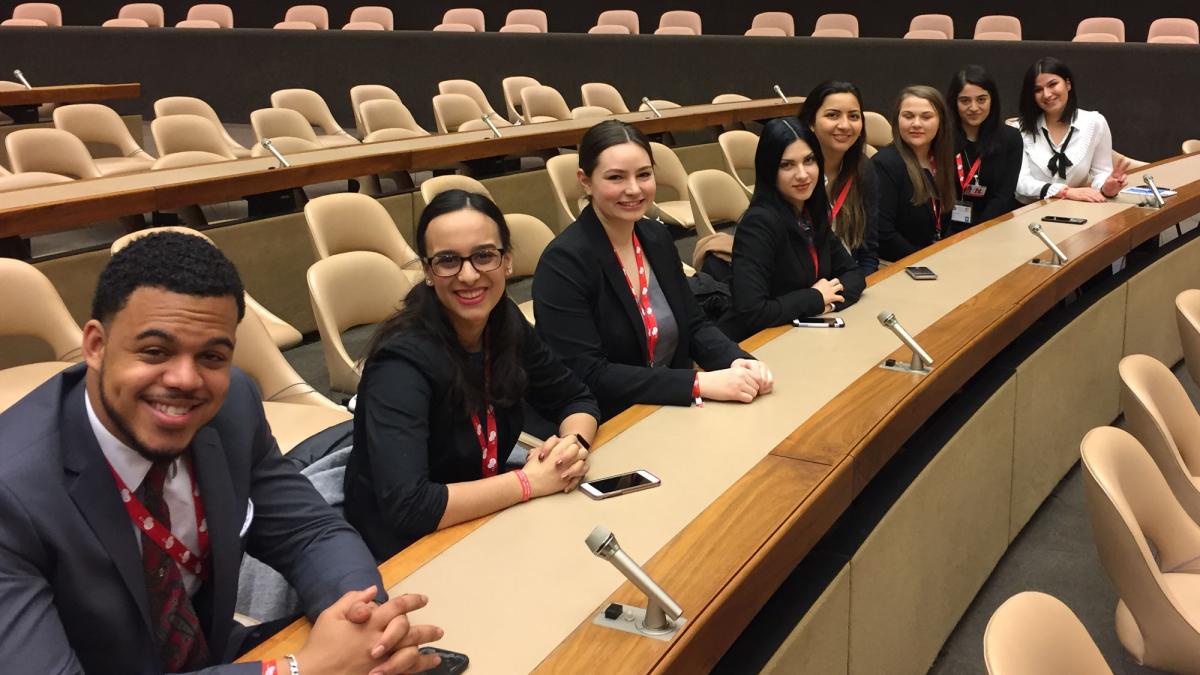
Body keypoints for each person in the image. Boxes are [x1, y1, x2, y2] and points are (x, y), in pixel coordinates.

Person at [0, 232, 443, 675]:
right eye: (156, 351)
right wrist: (298, 671)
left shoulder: (231, 409)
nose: (185, 379)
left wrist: (364, 621)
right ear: (95, 346)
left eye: (212, 357)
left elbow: (311, 532)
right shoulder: (12, 490)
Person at [344, 189, 599, 560]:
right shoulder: (400, 362)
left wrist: (570, 448)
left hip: (486, 514)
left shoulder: (504, 320)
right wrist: (527, 483)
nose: (468, 275)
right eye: (448, 260)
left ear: (507, 260)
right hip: (408, 550)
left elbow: (576, 398)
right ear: (429, 272)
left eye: (484, 256)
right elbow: (409, 506)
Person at [532, 119, 774, 421]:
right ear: (585, 181)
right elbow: (588, 373)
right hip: (608, 419)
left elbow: (694, 323)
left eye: (644, 174)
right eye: (616, 177)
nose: (634, 189)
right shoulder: (563, 263)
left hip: (668, 405)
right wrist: (699, 383)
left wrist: (737, 360)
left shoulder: (655, 238)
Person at [726, 118, 866, 340]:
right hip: (764, 343)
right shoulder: (759, 224)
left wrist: (825, 307)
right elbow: (752, 312)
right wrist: (815, 298)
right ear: (769, 170)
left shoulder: (810, 213)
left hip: (804, 334)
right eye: (787, 165)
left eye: (809, 161)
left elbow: (854, 275)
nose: (802, 174)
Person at [1015, 56, 1128, 203]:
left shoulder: (1094, 122)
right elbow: (1020, 183)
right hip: (1026, 211)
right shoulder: (1018, 129)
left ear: (1068, 84)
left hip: (1074, 211)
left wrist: (1106, 187)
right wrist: (1066, 192)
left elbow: (1101, 172)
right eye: (1038, 90)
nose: (1047, 94)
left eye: (1053, 84)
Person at [799, 80, 880, 276]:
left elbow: (868, 249)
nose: (845, 125)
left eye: (853, 116)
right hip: (804, 287)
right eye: (832, 115)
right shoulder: (794, 173)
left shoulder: (863, 168)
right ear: (811, 122)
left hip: (849, 280)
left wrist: (862, 283)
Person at [872, 85, 958, 261]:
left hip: (934, 257)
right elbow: (885, 234)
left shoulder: (943, 160)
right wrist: (926, 258)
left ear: (940, 120)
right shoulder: (885, 164)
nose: (916, 124)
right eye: (908, 116)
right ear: (897, 120)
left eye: (926, 117)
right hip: (896, 263)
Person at [945, 65, 1023, 227]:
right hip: (947, 228)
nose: (973, 108)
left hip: (993, 227)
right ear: (954, 102)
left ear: (992, 100)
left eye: (981, 99)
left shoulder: (1011, 138)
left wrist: (977, 232)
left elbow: (1004, 196)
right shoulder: (941, 138)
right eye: (965, 101)